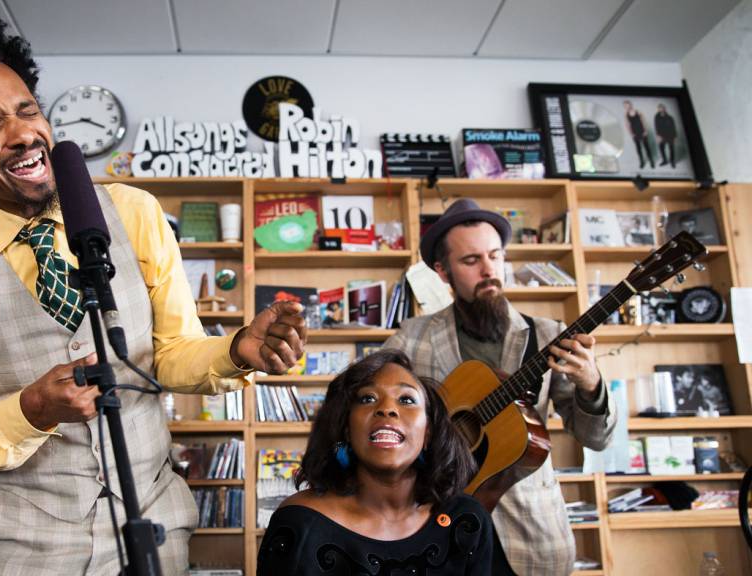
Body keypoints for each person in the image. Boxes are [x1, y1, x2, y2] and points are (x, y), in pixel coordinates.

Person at [0, 9, 307, 575]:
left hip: (151, 524)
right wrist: (30, 410)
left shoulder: (133, 212)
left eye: (27, 110)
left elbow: (169, 355)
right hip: (21, 539)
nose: (22, 135)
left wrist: (236, 352)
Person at [384, 198, 617, 575]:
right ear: (443, 272)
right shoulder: (413, 337)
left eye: (495, 256)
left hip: (531, 532)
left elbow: (597, 439)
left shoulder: (548, 335)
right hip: (434, 521)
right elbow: (366, 400)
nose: (488, 270)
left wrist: (591, 384)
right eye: (471, 261)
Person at [258, 349, 494, 575]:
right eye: (368, 398)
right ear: (347, 429)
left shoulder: (466, 520)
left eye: (407, 399)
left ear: (428, 433)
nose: (387, 409)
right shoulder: (300, 524)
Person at [623, 100, 656, 169]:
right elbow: (627, 125)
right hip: (635, 133)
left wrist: (645, 131)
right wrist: (631, 134)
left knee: (647, 147)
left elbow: (643, 121)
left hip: (642, 131)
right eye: (625, 106)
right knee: (638, 149)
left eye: (627, 105)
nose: (627, 107)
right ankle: (642, 162)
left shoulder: (638, 111)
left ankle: (651, 161)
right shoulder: (626, 114)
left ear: (631, 105)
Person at [654, 103, 678, 168]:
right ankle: (664, 160)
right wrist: (658, 136)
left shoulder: (670, 117)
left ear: (664, 109)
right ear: (658, 109)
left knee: (671, 148)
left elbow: (673, 127)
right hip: (661, 136)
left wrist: (675, 136)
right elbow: (656, 126)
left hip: (670, 135)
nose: (661, 109)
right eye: (659, 108)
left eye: (662, 108)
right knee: (661, 148)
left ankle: (672, 161)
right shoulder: (656, 117)